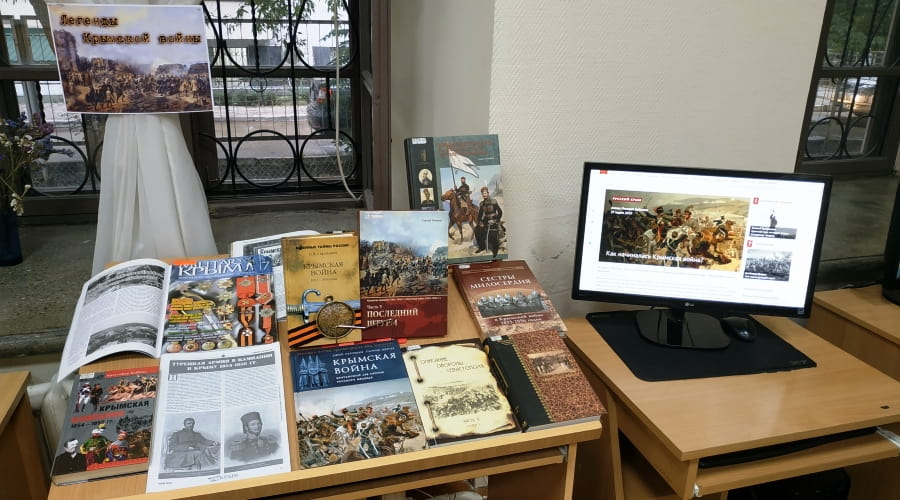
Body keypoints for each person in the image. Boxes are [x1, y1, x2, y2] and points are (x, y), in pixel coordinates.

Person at [475, 186, 504, 257]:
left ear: (488, 193)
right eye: (483, 193)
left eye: (485, 193)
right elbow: (480, 215)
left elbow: (500, 212)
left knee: (493, 235)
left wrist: (496, 220)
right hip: (486, 220)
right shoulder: (482, 204)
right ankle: (482, 247)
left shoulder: (494, 201)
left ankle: (495, 250)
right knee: (477, 230)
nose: (484, 195)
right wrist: (480, 222)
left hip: (494, 220)